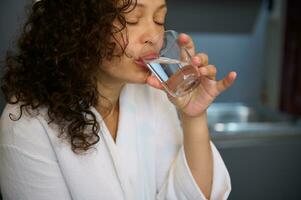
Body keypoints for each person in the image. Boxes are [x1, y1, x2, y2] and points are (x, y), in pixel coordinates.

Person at [0, 0, 237, 199]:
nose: (154, 37)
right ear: (80, 26)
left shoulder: (155, 94)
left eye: (159, 19)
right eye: (132, 19)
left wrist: (193, 116)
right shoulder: (27, 126)